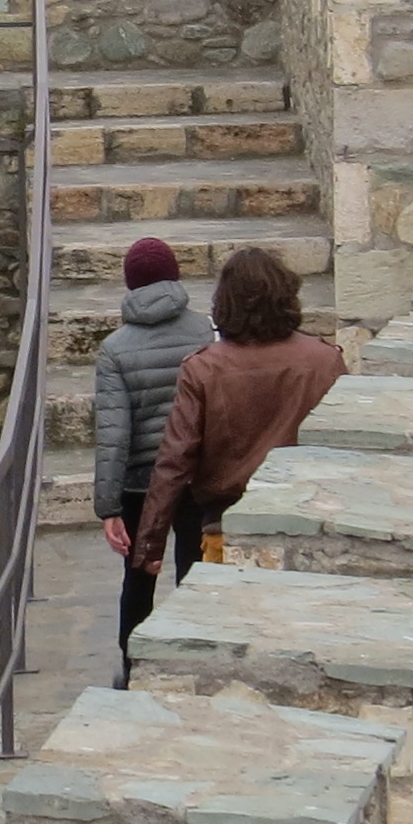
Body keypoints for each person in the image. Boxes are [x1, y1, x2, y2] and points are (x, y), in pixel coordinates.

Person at [127, 245, 342, 671]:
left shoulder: (203, 369)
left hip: (226, 529)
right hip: (307, 530)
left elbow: (175, 460)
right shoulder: (325, 361)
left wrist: (150, 543)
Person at [94, 237, 213, 647]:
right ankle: (194, 659)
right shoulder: (206, 330)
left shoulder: (114, 349)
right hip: (196, 473)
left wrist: (108, 508)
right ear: (174, 276)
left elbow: (113, 434)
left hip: (140, 482)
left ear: (130, 284)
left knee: (139, 578)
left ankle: (130, 670)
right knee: (195, 573)